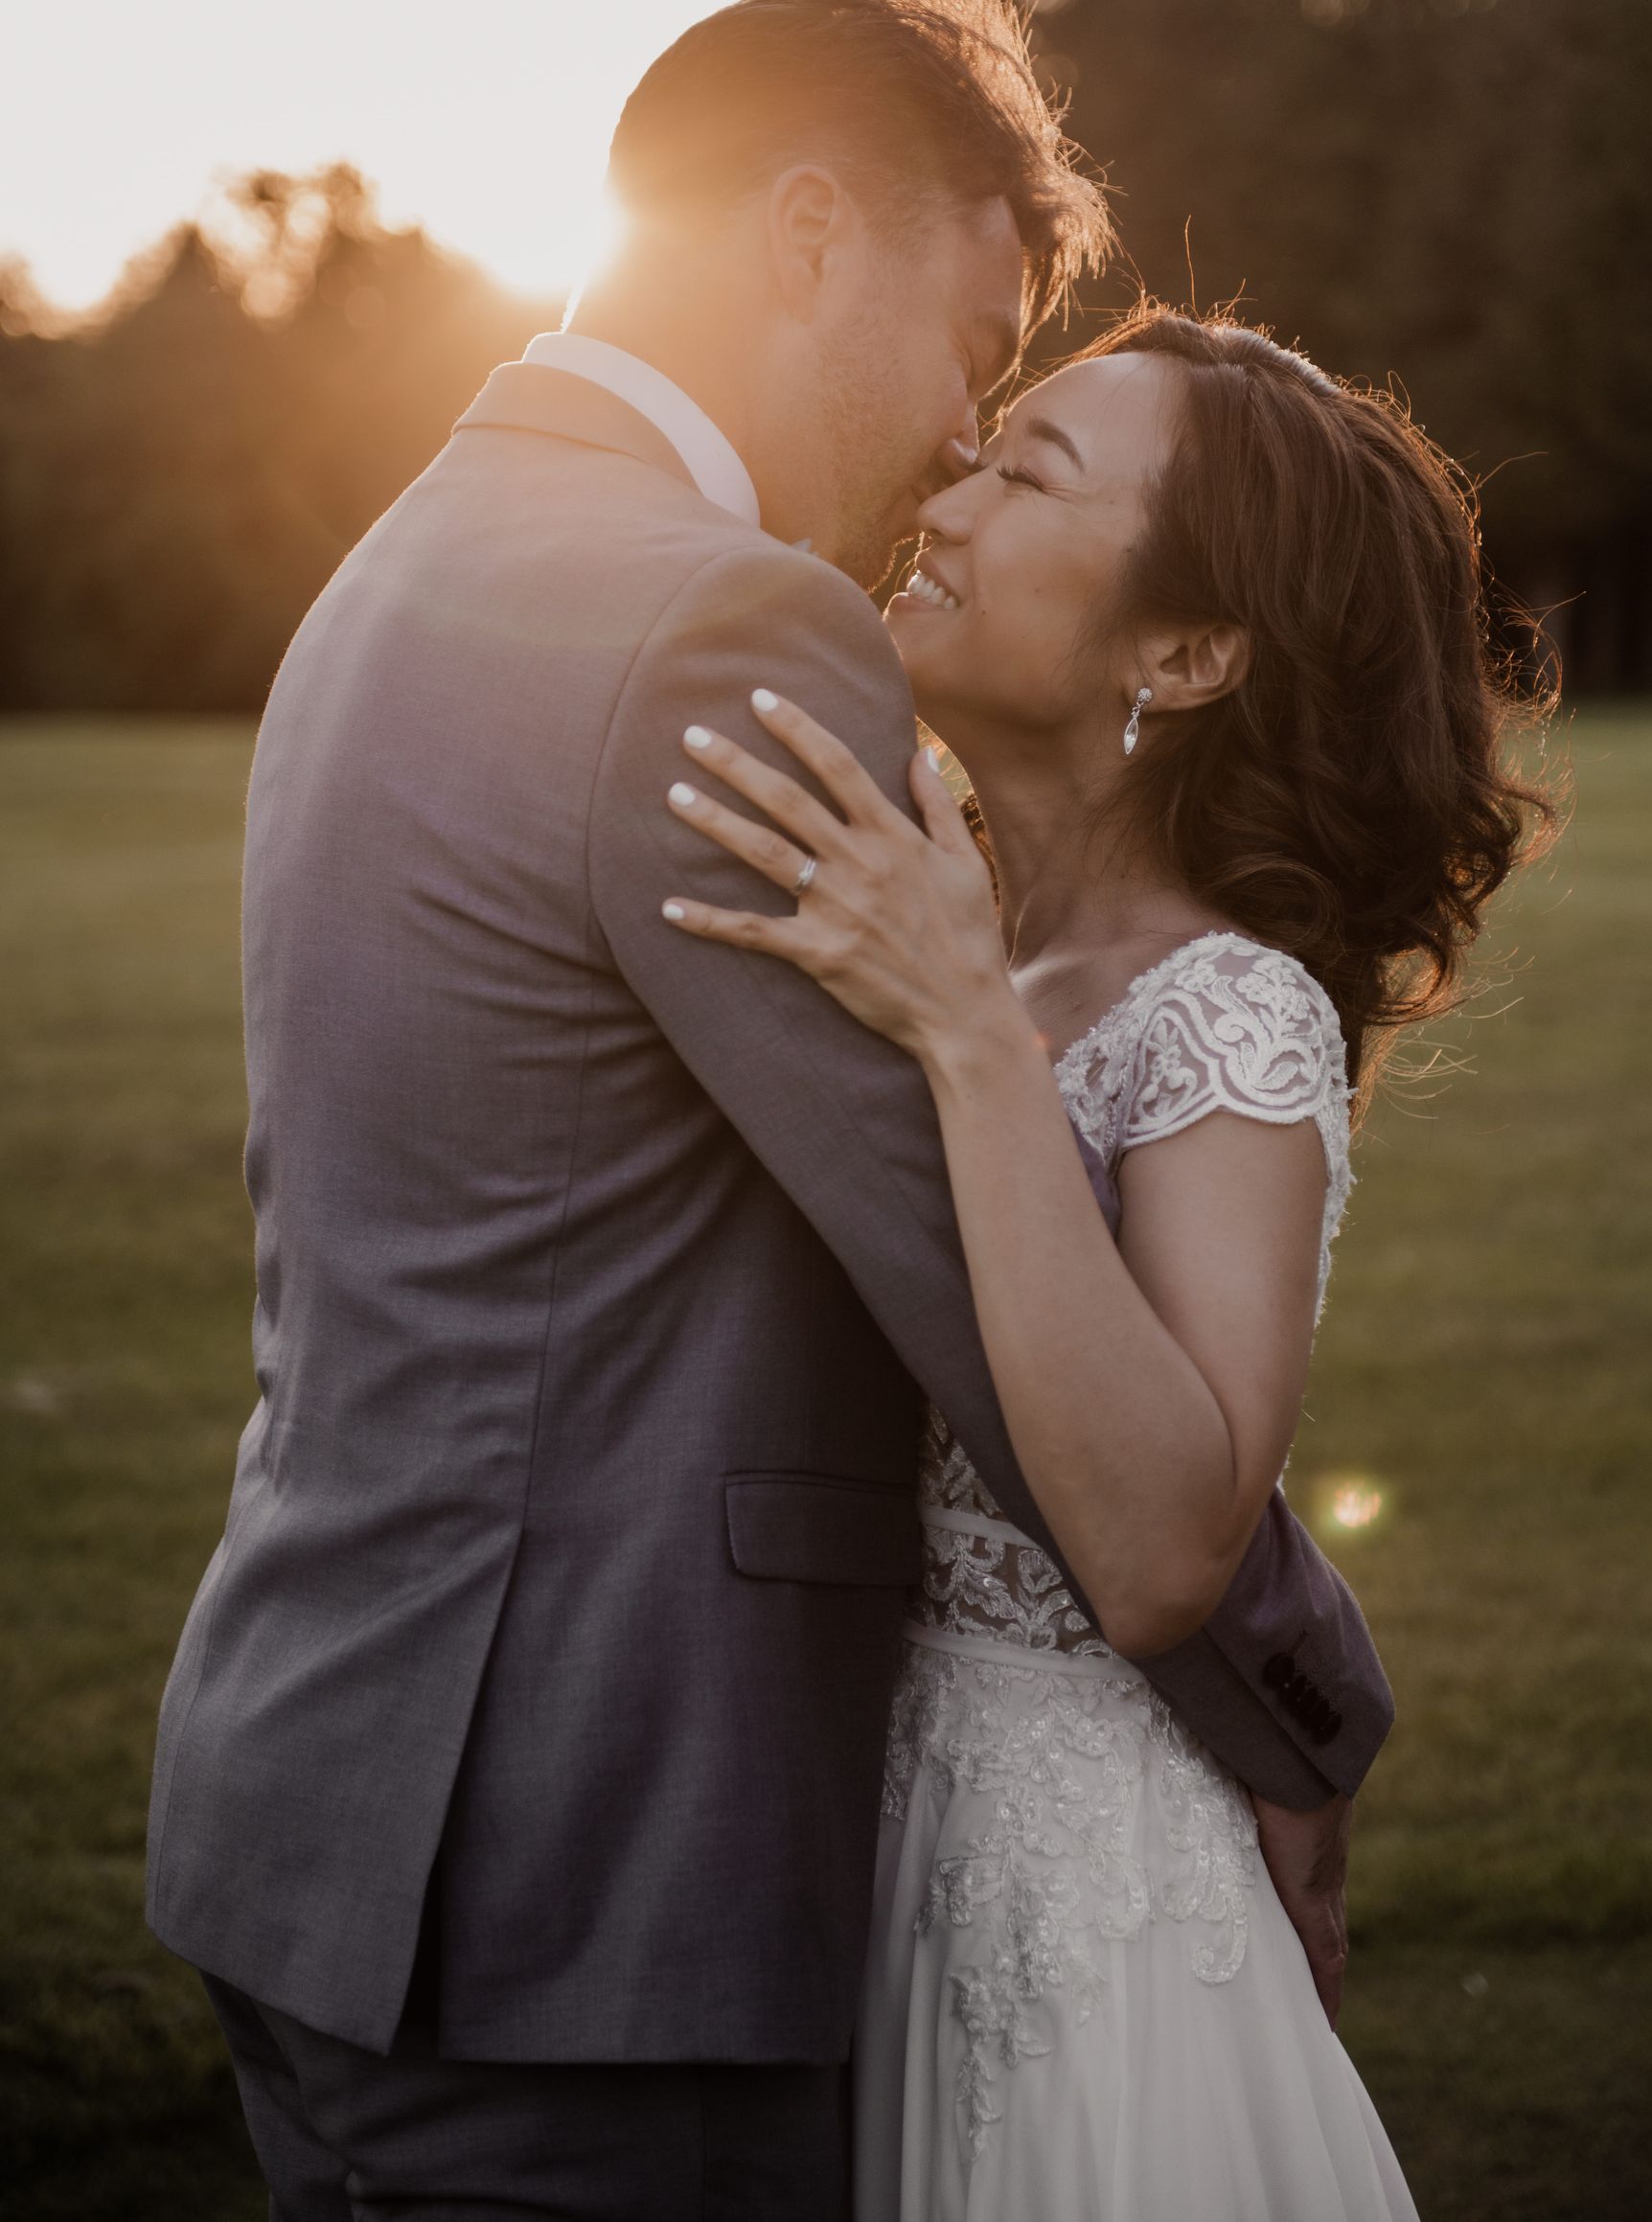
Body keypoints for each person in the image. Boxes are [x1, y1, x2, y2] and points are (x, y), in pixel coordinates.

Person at [147, 0, 1394, 2221]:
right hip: (578, 1878)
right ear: (811, 233)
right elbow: (961, 1269)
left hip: (325, 1803)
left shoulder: (402, 564)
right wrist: (1297, 1704)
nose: (956, 427)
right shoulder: (717, 617)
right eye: (971, 343)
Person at [659, 306, 1549, 2218]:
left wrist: (970, 1036)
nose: (948, 495)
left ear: (1189, 649)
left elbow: (1161, 1553)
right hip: (833, 1857)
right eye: (979, 451)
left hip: (1070, 1910)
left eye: (1032, 471)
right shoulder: (926, 901)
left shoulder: (1228, 1016)